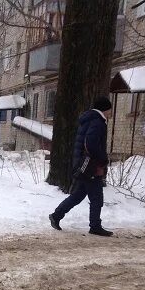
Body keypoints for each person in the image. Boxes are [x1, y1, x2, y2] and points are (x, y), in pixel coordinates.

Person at [49, 96, 114, 237]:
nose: (110, 113)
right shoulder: (98, 122)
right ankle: (95, 226)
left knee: (78, 195)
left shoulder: (88, 119)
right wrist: (102, 159)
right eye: (109, 110)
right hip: (91, 165)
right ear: (105, 109)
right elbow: (91, 144)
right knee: (97, 198)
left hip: (83, 163)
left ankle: (56, 215)